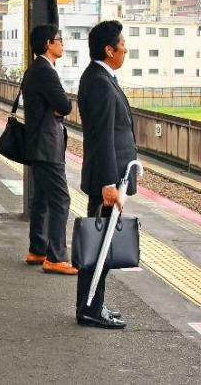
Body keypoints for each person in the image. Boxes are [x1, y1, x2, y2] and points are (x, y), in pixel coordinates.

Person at [76, 20, 136, 329]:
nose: (126, 48)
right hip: (107, 181)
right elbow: (101, 137)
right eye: (122, 44)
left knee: (100, 246)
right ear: (108, 49)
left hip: (111, 177)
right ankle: (90, 309)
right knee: (98, 248)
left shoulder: (102, 77)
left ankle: (94, 305)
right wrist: (108, 184)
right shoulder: (99, 81)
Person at [21, 25, 76, 276]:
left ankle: (37, 249)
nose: (62, 44)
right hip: (47, 144)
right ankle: (55, 257)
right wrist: (60, 107)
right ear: (47, 44)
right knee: (61, 199)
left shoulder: (35, 70)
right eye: (59, 40)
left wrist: (57, 107)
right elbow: (64, 105)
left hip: (37, 143)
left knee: (41, 199)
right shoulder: (46, 71)